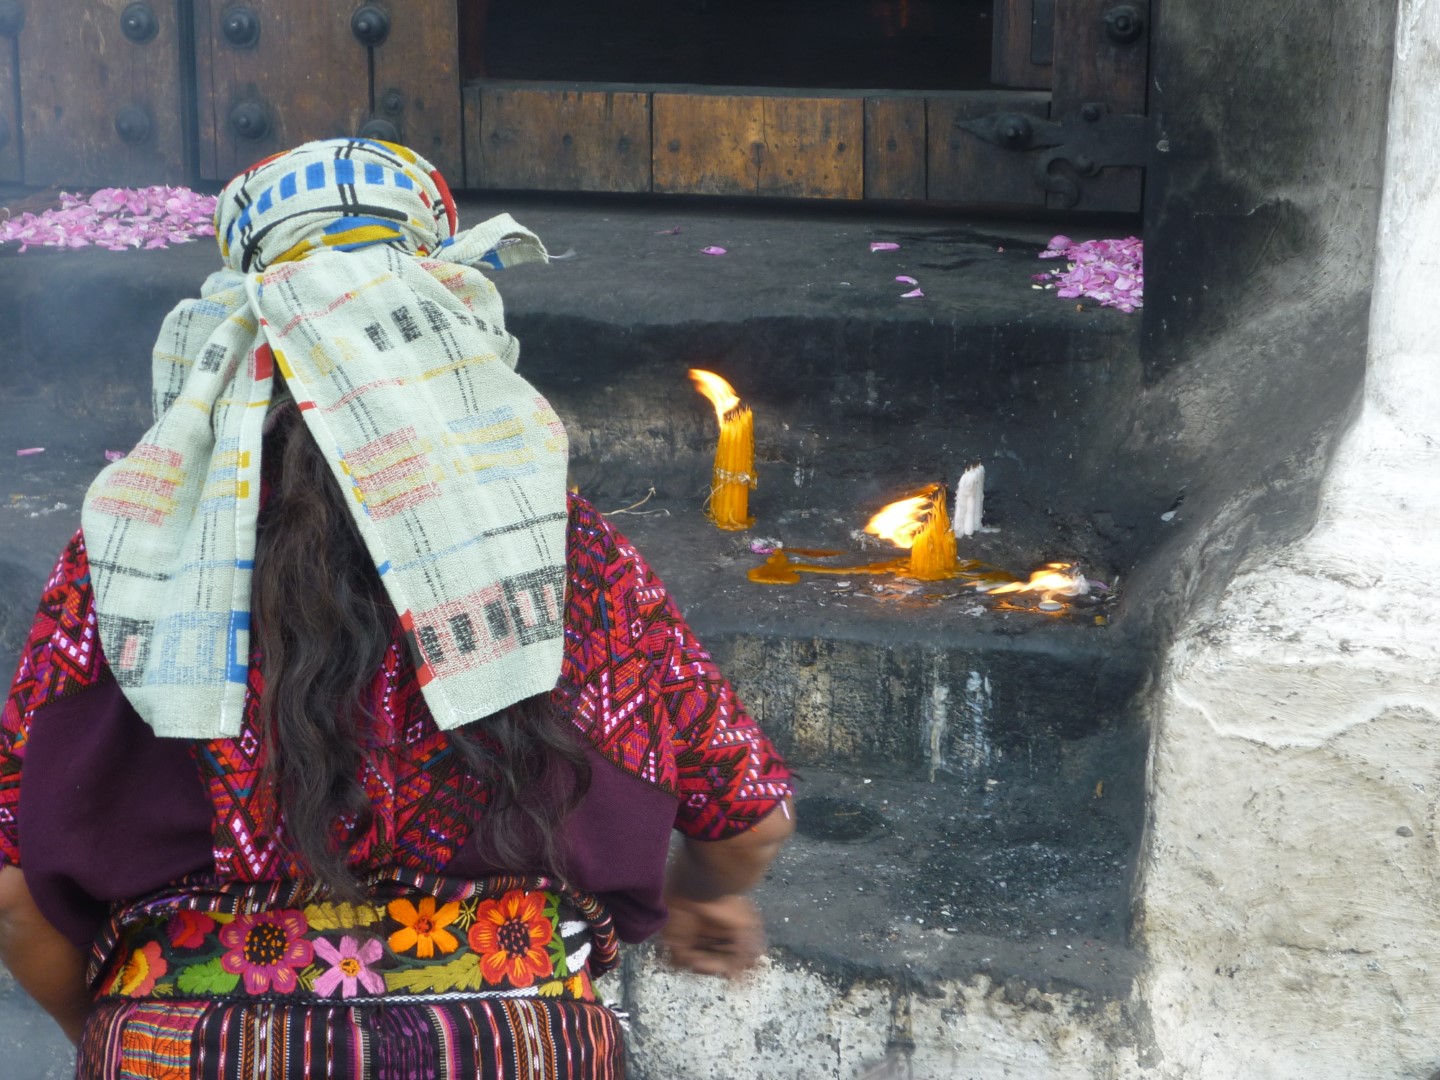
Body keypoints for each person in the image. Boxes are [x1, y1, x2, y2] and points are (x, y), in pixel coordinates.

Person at [0, 139, 794, 1078]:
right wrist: (706, 896)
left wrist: (108, 1040)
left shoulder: (128, 557)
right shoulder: (557, 548)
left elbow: (15, 896)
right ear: (448, 307)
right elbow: (748, 820)